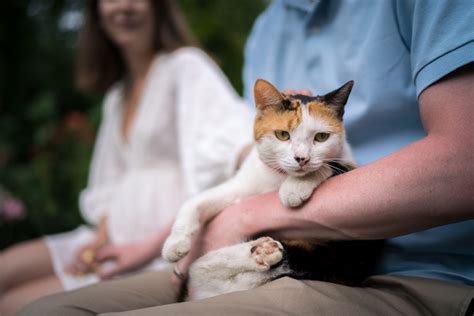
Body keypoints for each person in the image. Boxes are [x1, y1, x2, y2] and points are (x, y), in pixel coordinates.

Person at [19, 0, 474, 315]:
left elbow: (464, 161)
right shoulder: (269, 26)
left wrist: (245, 217)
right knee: (50, 310)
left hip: (408, 268)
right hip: (256, 244)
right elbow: (242, 163)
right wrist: (182, 231)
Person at [0, 0, 253, 314]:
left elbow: (224, 160)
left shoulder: (186, 67)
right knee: (4, 270)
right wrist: (99, 242)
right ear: (96, 12)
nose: (124, 6)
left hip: (160, 249)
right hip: (111, 240)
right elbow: (108, 179)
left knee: (13, 305)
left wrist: (146, 249)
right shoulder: (117, 95)